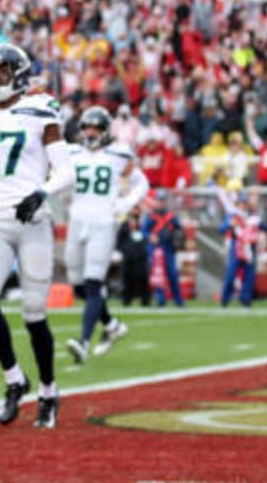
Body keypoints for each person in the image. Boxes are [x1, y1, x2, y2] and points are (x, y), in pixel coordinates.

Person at [0, 43, 74, 428]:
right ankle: (13, 379)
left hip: (32, 220)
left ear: (20, 73)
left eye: (4, 72)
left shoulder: (41, 110)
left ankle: (49, 391)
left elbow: (65, 171)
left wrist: (43, 193)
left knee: (35, 313)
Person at [64, 106, 145, 364]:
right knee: (77, 283)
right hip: (77, 221)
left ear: (106, 131)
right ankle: (110, 324)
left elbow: (141, 183)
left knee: (93, 283)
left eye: (96, 128)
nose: (91, 132)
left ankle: (84, 342)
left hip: (103, 223)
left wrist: (125, 204)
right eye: (87, 127)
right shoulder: (71, 153)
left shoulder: (118, 154)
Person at [142, 191, 185, 306]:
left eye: (163, 201)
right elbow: (144, 231)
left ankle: (179, 300)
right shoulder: (150, 216)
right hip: (156, 248)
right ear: (155, 202)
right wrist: (150, 236)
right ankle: (160, 299)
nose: (161, 203)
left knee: (172, 274)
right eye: (159, 201)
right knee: (157, 275)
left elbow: (179, 229)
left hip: (168, 247)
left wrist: (177, 239)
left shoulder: (171, 216)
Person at [116, 206, 150, 307]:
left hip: (141, 257)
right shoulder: (124, 223)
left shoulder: (144, 223)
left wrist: (144, 251)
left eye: (137, 209)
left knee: (142, 279)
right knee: (127, 279)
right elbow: (119, 240)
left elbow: (147, 238)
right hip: (128, 257)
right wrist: (125, 250)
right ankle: (127, 301)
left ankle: (145, 301)